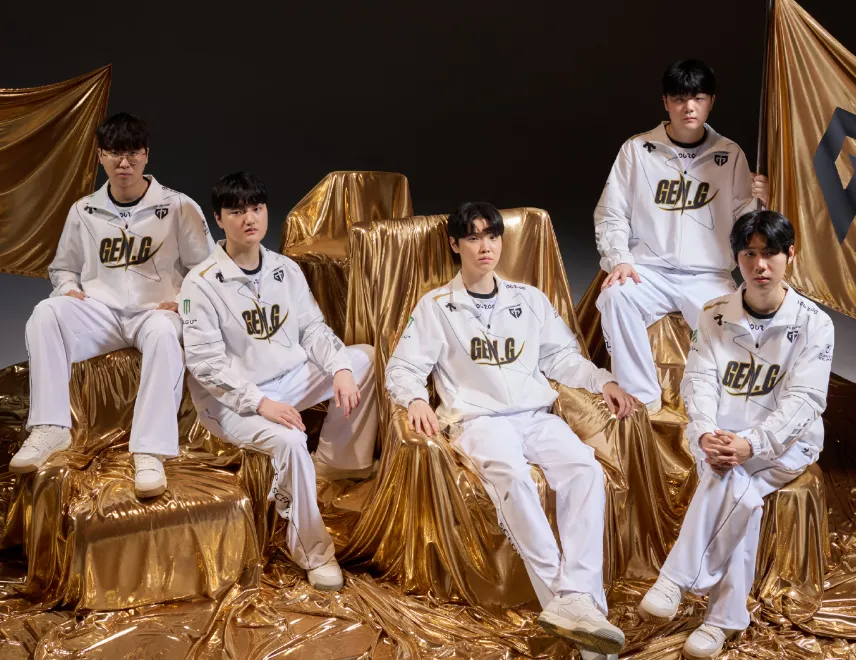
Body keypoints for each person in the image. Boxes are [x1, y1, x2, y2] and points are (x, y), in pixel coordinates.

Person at [385, 201, 635, 657]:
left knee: (585, 470)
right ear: (455, 245)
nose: (485, 246)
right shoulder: (436, 306)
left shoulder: (529, 299)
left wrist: (604, 381)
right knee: (515, 480)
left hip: (535, 416)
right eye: (474, 237)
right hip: (478, 420)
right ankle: (573, 610)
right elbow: (402, 367)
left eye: (492, 236)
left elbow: (561, 358)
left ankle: (579, 603)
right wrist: (416, 398)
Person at [638, 210, 834, 659]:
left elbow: (805, 400)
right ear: (736, 258)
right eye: (749, 254)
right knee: (739, 493)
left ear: (790, 255)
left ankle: (676, 579)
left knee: (728, 478)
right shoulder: (714, 314)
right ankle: (724, 620)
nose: (760, 265)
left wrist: (754, 443)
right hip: (725, 437)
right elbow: (699, 381)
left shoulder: (814, 322)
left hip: (786, 444)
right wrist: (706, 433)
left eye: (771, 253)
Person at [179, 172, 377, 591]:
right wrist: (261, 404)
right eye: (237, 211)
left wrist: (340, 368)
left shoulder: (285, 269)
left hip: (288, 378)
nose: (249, 218)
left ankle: (337, 461)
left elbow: (313, 329)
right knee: (289, 442)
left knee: (363, 359)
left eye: (256, 208)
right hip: (232, 401)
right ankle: (314, 552)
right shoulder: (200, 284)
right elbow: (205, 365)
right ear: (219, 219)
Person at [12, 112, 214, 498]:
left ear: (146, 155)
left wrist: (184, 302)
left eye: (133, 153)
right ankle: (50, 428)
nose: (124, 163)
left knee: (164, 334)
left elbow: (205, 268)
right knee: (45, 314)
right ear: (100, 156)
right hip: (102, 313)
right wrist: (68, 288)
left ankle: (150, 451)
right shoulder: (84, 210)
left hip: (155, 311)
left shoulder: (178, 205)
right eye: (115, 153)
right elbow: (63, 267)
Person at [594, 59, 770, 414]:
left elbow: (745, 225)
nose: (689, 107)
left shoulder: (729, 153)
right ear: (665, 102)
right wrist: (620, 259)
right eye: (679, 99)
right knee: (615, 296)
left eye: (698, 98)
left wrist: (763, 202)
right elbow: (611, 212)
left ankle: (720, 409)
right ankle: (641, 399)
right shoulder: (637, 149)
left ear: (711, 102)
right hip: (649, 271)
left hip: (708, 275)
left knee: (738, 333)